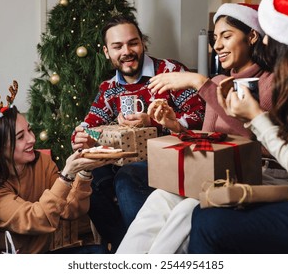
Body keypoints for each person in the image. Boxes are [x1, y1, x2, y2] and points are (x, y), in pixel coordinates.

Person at [116, 2, 283, 254]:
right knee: (159, 198)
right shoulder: (217, 82)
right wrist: (176, 127)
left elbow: (252, 135)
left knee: (189, 207)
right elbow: (209, 139)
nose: (217, 46)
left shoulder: (275, 81)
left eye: (226, 36)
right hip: (215, 174)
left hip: (262, 175)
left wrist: (199, 82)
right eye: (216, 38)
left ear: (252, 36)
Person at [188, 0, 288, 253]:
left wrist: (256, 118)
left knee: (209, 224)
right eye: (216, 38)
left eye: (271, 34)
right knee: (202, 214)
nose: (267, 40)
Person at [70, 15, 205, 252]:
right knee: (92, 177)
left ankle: (137, 253)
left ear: (142, 43)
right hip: (129, 160)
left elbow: (200, 118)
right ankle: (130, 250)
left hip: (172, 158)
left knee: (127, 176)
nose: (126, 51)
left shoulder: (169, 72)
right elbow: (89, 123)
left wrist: (153, 122)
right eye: (117, 46)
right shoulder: (109, 89)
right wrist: (82, 135)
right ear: (106, 52)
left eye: (132, 43)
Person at [0, 81, 117, 254]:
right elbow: (37, 219)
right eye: (20, 137)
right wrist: (66, 176)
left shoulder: (41, 162)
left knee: (102, 254)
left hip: (43, 256)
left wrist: (84, 172)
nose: (32, 139)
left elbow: (71, 210)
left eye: (29, 130)